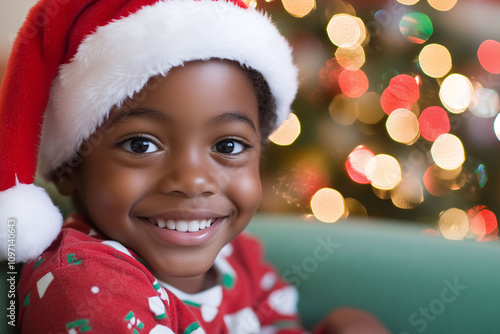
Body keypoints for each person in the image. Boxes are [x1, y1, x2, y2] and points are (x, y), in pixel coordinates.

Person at [0, 0, 390, 333]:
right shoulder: (88, 282)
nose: (193, 181)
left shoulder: (239, 258)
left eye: (228, 145)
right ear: (71, 167)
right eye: (141, 145)